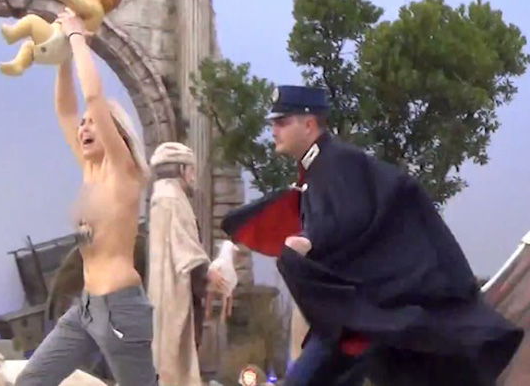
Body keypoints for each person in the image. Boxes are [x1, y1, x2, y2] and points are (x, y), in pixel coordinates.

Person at [221, 85, 523, 386]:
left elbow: (351, 217)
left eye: (282, 122)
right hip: (355, 317)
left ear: (309, 124)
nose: (274, 130)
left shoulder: (336, 162)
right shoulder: (320, 168)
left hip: (362, 315)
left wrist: (311, 241)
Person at [15, 10, 158, 386]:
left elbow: (93, 96)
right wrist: (61, 56)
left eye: (93, 122)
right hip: (87, 309)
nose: (84, 127)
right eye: (84, 125)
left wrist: (78, 38)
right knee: (31, 381)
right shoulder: (89, 170)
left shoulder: (124, 171)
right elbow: (65, 109)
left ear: (116, 132)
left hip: (122, 309)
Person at [147, 141, 228, 386]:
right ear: (182, 169)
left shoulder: (162, 197)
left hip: (174, 288)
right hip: (176, 291)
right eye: (191, 170)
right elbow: (183, 248)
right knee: (178, 357)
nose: (194, 177)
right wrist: (207, 273)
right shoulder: (171, 200)